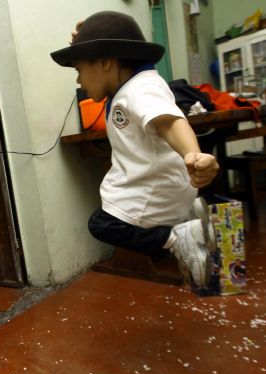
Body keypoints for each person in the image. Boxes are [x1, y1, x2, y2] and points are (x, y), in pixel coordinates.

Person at [50, 11, 219, 288]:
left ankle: (179, 238)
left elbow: (171, 121)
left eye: (79, 69)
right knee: (111, 215)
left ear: (104, 62)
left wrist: (193, 153)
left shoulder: (141, 89)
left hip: (156, 189)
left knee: (102, 225)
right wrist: (88, 39)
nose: (79, 80)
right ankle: (182, 229)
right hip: (158, 185)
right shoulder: (130, 84)